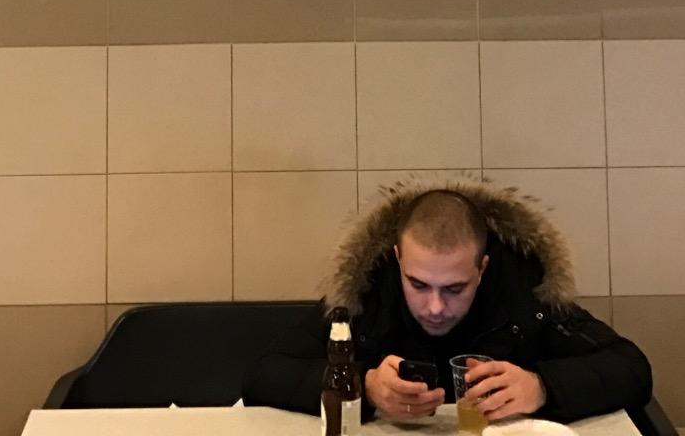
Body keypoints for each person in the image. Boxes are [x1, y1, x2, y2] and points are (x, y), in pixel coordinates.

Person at [244, 180, 653, 426]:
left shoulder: (523, 292)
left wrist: (543, 386)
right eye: (418, 284)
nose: (435, 307)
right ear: (398, 260)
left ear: (482, 268)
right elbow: (263, 376)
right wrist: (361, 385)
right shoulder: (365, 293)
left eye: (455, 288)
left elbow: (631, 369)